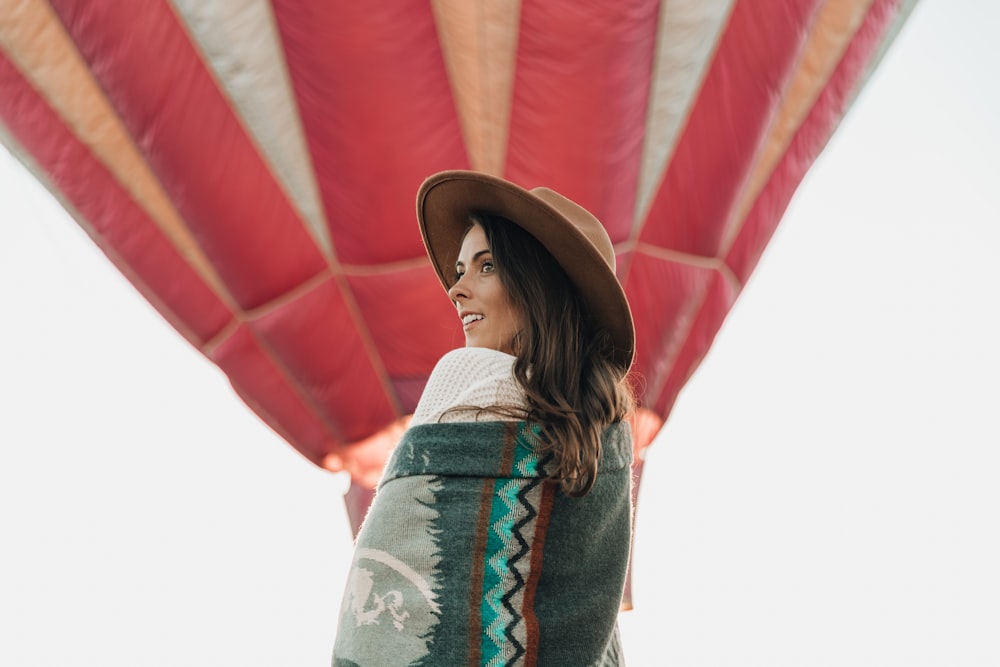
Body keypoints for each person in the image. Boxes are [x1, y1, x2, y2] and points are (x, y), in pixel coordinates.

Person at [332, 170, 636, 666]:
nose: (456, 289)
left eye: (486, 266)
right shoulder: (604, 439)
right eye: (459, 270)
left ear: (540, 283)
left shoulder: (464, 374)